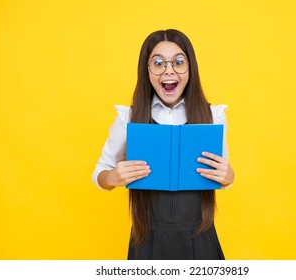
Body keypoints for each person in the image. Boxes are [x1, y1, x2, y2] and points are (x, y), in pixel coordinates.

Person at [92, 29, 235, 260]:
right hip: (147, 241)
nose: (169, 70)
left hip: (200, 240)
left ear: (190, 68)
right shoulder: (128, 118)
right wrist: (111, 178)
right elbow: (99, 172)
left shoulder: (213, 116)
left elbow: (223, 174)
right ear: (146, 70)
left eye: (178, 62)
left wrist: (229, 176)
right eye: (158, 63)